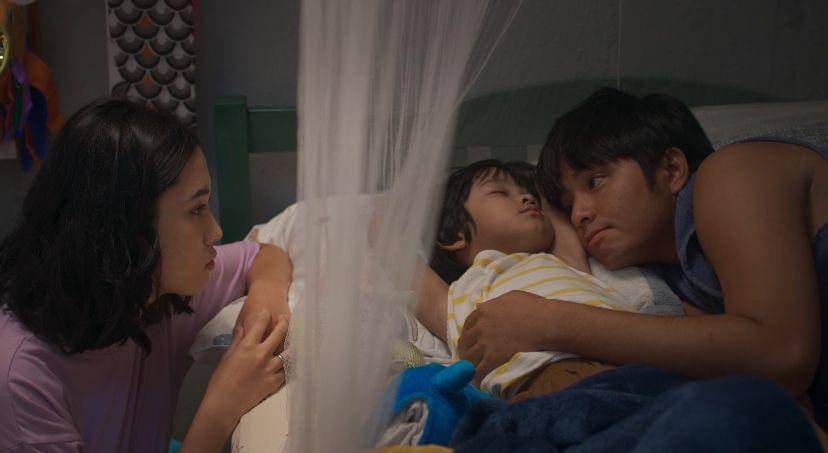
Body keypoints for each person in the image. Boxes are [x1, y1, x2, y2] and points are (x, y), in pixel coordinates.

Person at [451, 88, 827, 446]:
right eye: (568, 206)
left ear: (672, 169)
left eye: (595, 181)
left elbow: (783, 353)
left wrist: (549, 322)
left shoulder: (733, 172)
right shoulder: (672, 281)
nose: (580, 214)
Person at [0, 99, 293, 452]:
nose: (215, 231)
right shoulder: (22, 379)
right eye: (197, 209)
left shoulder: (156, 296)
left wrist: (264, 301)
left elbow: (265, 256)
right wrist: (220, 408)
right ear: (127, 229)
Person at [416, 159, 682, 400]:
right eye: (501, 192)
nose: (527, 197)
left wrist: (543, 187)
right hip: (548, 381)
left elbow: (553, 211)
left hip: (637, 368)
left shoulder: (563, 263)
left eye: (527, 192)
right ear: (454, 235)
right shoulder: (465, 291)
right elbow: (409, 269)